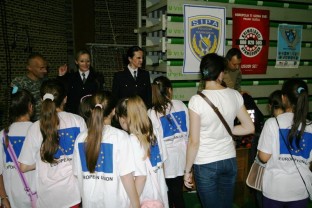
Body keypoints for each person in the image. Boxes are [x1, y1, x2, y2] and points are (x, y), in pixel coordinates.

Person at [184, 53, 255, 208]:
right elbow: (249, 127)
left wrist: (187, 170)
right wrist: (227, 128)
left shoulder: (196, 101)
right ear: (221, 73)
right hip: (229, 160)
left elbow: (194, 142)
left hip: (205, 163)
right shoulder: (235, 95)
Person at [18, 79, 87, 208]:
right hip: (73, 194)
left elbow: (24, 167)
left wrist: (43, 159)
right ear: (65, 99)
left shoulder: (35, 127)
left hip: (47, 197)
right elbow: (85, 157)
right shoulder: (78, 121)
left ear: (41, 99)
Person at [73, 91, 140, 208]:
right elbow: (126, 176)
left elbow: (77, 174)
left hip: (89, 202)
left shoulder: (80, 138)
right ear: (114, 111)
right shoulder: (120, 137)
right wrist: (136, 204)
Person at [257, 78, 312, 208]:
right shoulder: (310, 126)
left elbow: (264, 157)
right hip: (300, 189)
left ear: (284, 98)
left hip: (275, 189)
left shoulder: (272, 123)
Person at [115, 96, 169, 208]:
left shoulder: (132, 140)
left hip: (145, 197)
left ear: (123, 118)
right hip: (159, 194)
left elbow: (141, 177)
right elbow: (162, 163)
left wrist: (132, 205)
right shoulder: (154, 132)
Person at [148, 76, 188, 208]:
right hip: (182, 156)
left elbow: (154, 142)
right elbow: (189, 131)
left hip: (165, 161)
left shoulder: (152, 113)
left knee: (169, 194)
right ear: (169, 90)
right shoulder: (181, 105)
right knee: (178, 192)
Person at [0, 89, 35, 208]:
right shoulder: (38, 130)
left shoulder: (3, 134)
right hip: (37, 196)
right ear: (30, 107)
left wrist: (3, 198)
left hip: (11, 199)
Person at [58, 49, 104, 114]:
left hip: (91, 114)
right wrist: (61, 75)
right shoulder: (71, 77)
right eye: (82, 61)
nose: (85, 64)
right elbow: (60, 90)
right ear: (76, 62)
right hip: (74, 113)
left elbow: (100, 95)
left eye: (88, 61)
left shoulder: (97, 77)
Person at [11, 53, 48, 121]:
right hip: (27, 125)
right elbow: (13, 103)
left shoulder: (46, 82)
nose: (45, 71)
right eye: (41, 68)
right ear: (29, 68)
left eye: (45, 67)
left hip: (45, 123)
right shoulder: (18, 83)